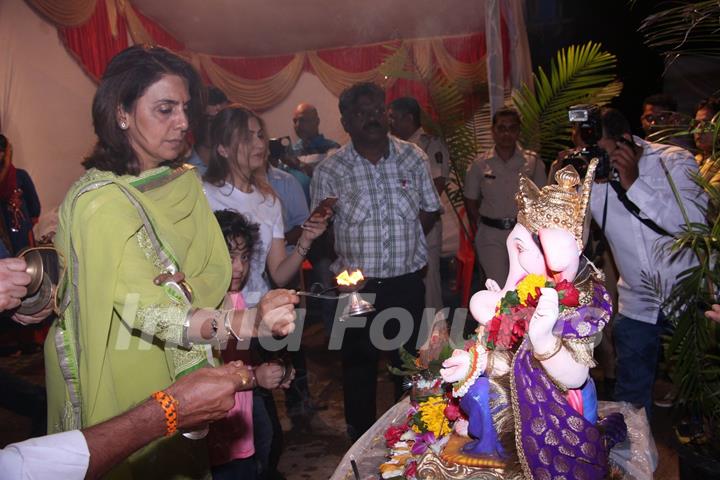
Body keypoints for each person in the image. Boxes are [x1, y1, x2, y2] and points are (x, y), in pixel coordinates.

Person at [44, 45, 299, 479]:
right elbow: (151, 309)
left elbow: (198, 280)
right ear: (121, 112)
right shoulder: (101, 203)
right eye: (165, 109)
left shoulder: (181, 184)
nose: (183, 122)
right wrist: (248, 321)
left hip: (187, 348)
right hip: (122, 360)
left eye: (185, 109)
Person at [310, 82, 441, 441]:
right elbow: (321, 230)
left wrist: (408, 240)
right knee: (357, 370)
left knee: (409, 368)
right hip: (356, 290)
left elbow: (429, 208)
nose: (371, 117)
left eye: (376, 110)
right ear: (345, 121)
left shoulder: (413, 157)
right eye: (360, 112)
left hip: (405, 284)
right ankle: (360, 446)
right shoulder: (330, 169)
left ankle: (413, 443)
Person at [203, 104, 328, 478]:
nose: (259, 143)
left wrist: (304, 240)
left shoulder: (269, 198)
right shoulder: (202, 194)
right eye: (248, 136)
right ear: (223, 147)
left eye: (260, 134)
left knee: (263, 432)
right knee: (227, 426)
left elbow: (278, 271)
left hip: (260, 323)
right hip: (220, 323)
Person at [589, 107, 705, 416]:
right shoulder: (592, 176)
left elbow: (694, 224)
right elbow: (569, 234)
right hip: (637, 303)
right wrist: (565, 183)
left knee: (699, 395)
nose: (593, 159)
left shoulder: (674, 161)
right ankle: (635, 462)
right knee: (631, 400)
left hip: (686, 296)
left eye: (599, 151)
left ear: (625, 141)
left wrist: (634, 183)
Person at [208, 210, 294, 480]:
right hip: (217, 441)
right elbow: (213, 373)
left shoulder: (236, 299)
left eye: (244, 257)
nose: (239, 267)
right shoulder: (205, 307)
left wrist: (272, 371)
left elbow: (239, 356)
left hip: (242, 426)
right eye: (229, 257)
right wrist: (256, 377)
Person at [464, 107, 545, 284]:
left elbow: (541, 200)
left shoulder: (533, 162)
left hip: (525, 234)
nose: (506, 133)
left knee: (527, 288)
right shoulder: (479, 165)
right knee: (500, 289)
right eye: (501, 128)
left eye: (512, 128)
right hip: (491, 235)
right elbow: (470, 201)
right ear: (493, 131)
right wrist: (480, 228)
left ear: (518, 132)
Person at [388, 96, 449, 312]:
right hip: (399, 229)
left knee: (429, 285)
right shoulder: (392, 148)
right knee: (407, 289)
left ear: (409, 118)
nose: (390, 123)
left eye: (393, 118)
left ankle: (436, 340)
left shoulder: (429, 144)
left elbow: (437, 184)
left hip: (425, 224)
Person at [0, 134, 41, 258]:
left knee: (28, 263)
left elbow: (34, 206)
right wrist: (6, 165)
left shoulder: (20, 176)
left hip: (21, 231)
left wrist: (26, 224)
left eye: (2, 151)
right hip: (4, 234)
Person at [186, 86, 230, 176]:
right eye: (211, 120)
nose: (218, 126)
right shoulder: (183, 170)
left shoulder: (236, 166)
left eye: (222, 120)